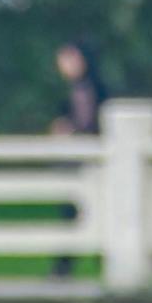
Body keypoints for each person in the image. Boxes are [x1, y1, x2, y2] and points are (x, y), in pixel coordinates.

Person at [50, 41, 108, 277]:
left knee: (89, 214)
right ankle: (65, 267)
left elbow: (91, 125)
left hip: (93, 164)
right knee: (74, 214)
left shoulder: (94, 89)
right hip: (78, 163)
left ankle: (67, 268)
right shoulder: (75, 90)